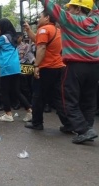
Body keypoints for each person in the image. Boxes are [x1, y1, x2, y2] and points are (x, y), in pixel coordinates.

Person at [39, 0, 99, 143]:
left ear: (78, 9)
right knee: (89, 99)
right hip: (94, 67)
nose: (69, 11)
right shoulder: (96, 20)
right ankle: (86, 128)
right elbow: (94, 8)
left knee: (68, 99)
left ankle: (83, 129)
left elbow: (49, 5)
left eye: (71, 8)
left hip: (75, 66)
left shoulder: (70, 19)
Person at [23, 10, 65, 130]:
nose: (38, 19)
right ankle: (68, 124)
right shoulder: (57, 30)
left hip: (46, 68)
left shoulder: (44, 29)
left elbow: (41, 47)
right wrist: (28, 29)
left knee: (37, 96)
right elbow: (38, 41)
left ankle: (37, 123)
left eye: (39, 17)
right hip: (58, 67)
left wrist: (36, 65)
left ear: (47, 17)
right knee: (57, 97)